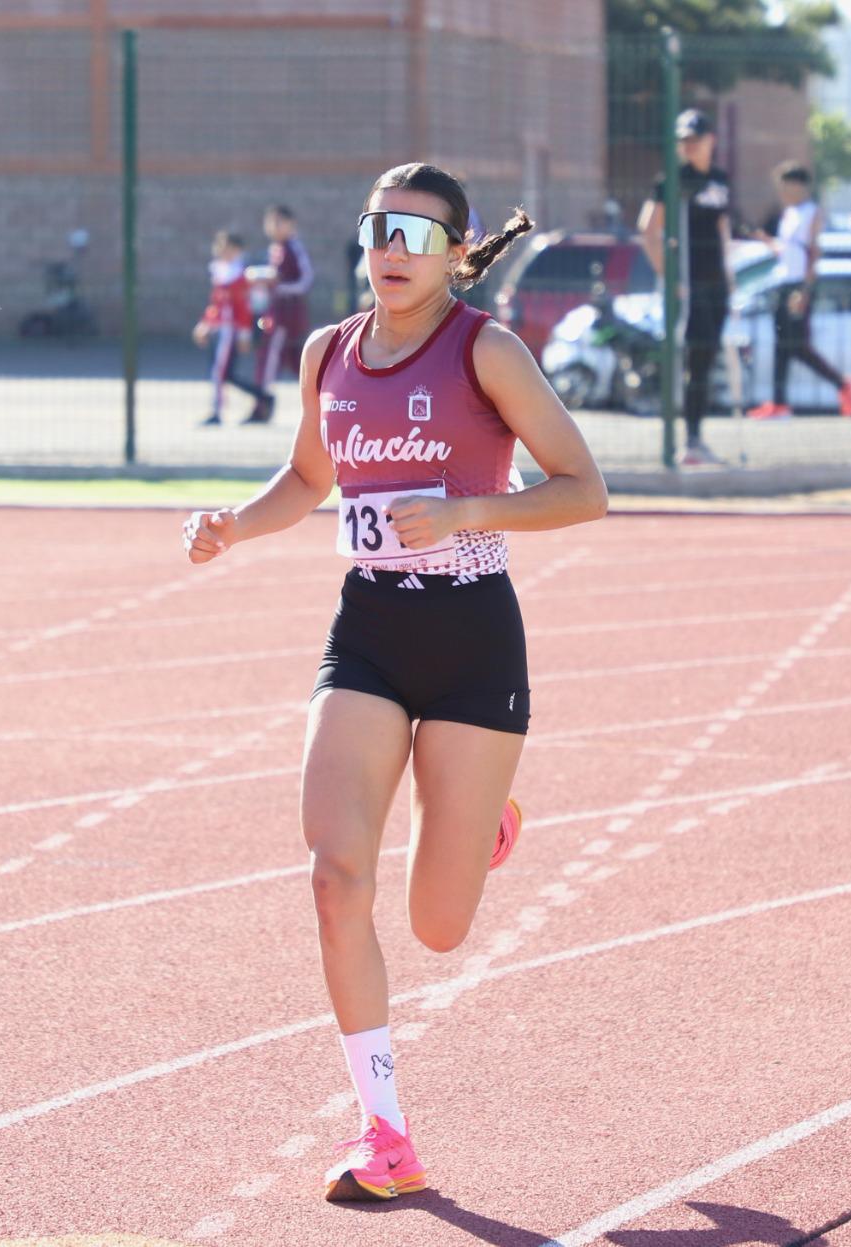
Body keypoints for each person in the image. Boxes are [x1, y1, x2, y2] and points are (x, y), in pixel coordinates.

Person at [180, 162, 607, 1199]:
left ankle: (483, 813)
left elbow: (583, 490)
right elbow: (308, 480)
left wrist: (469, 512)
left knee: (438, 924)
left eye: (418, 234)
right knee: (334, 878)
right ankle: (386, 1132)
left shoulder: (485, 351)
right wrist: (235, 525)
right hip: (368, 629)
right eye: (380, 228)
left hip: (471, 639)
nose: (393, 249)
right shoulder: (329, 351)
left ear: (459, 253)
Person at [639, 109, 734, 466]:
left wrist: (730, 275)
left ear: (711, 140)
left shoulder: (721, 180)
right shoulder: (673, 181)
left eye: (695, 139)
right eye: (684, 141)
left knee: (708, 359)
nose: (689, 146)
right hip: (689, 288)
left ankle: (696, 438)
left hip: (716, 286)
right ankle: (687, 442)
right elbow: (649, 231)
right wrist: (671, 277)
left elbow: (722, 228)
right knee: (695, 357)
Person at [747, 163, 851, 421]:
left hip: (799, 285)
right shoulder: (789, 213)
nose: (782, 191)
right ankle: (778, 403)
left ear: (799, 186)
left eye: (786, 186)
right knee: (781, 345)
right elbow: (788, 250)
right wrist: (767, 242)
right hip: (784, 283)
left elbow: (813, 252)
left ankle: (842, 384)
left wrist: (805, 290)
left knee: (797, 346)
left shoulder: (812, 212)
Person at [193, 229, 271, 427]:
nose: (222, 251)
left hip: (231, 329)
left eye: (227, 247)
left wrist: (244, 333)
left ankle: (217, 410)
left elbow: (243, 307)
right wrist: (205, 324)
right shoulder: (221, 272)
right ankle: (262, 396)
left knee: (220, 372)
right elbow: (216, 304)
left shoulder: (240, 275)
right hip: (218, 327)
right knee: (222, 372)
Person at [248, 204, 315, 421]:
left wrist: (278, 286)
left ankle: (262, 405)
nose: (274, 227)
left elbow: (305, 280)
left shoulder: (294, 248)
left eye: (279, 222)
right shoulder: (275, 249)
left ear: (290, 224)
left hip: (288, 316)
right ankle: (264, 405)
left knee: (272, 358)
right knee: (291, 361)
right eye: (270, 222)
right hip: (274, 313)